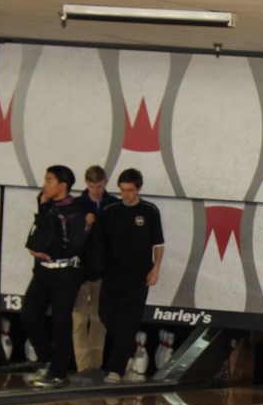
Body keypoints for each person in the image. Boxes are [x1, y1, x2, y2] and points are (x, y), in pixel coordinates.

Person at [19, 165, 89, 389]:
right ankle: (47, 359)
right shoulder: (45, 204)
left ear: (63, 186)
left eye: (50, 180)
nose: (45, 184)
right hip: (43, 271)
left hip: (65, 274)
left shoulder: (75, 212)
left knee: (61, 321)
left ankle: (59, 371)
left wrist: (51, 252)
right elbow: (36, 237)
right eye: (45, 179)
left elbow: (77, 246)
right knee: (29, 313)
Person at [96, 167, 164, 383]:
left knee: (128, 320)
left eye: (130, 190)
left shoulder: (149, 210)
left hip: (138, 275)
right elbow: (99, 243)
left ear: (139, 189)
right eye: (123, 190)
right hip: (113, 274)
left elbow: (158, 244)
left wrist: (156, 269)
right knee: (106, 315)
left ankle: (115, 369)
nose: (126, 195)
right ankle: (126, 347)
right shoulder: (110, 210)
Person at [71, 164, 114, 373]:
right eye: (91, 186)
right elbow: (70, 240)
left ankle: (95, 365)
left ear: (105, 183)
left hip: (103, 270)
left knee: (99, 318)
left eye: (98, 186)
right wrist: (85, 226)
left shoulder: (113, 205)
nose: (95, 190)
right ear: (86, 185)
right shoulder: (78, 205)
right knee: (79, 319)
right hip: (81, 270)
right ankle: (82, 366)